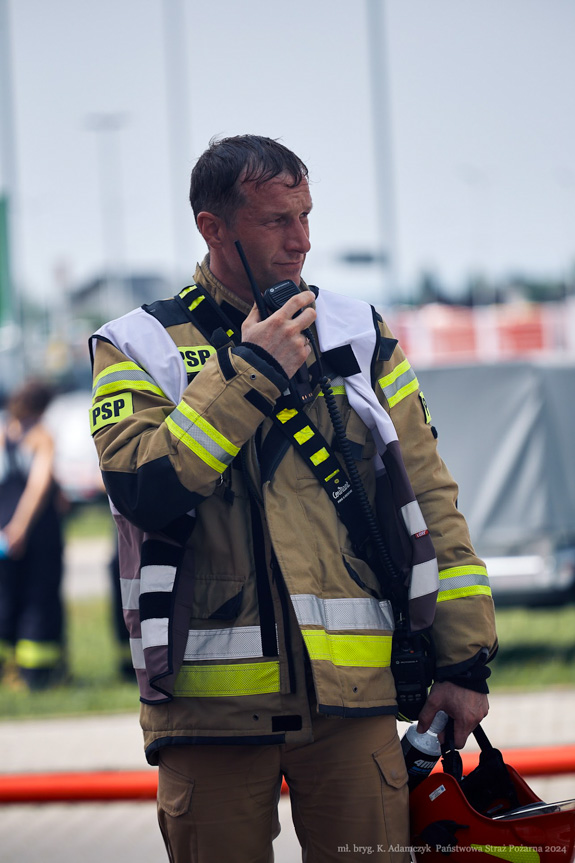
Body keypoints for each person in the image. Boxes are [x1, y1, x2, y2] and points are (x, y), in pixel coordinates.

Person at [89, 135, 497, 862]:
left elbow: (432, 499)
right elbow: (144, 488)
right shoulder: (138, 344)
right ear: (213, 227)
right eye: (277, 220)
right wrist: (250, 370)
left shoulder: (357, 333)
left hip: (355, 702)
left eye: (306, 215)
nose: (302, 240)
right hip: (208, 714)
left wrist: (464, 663)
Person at [0, 378, 65, 690]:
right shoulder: (42, 437)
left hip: (3, 531)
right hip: (36, 533)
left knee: (7, 596)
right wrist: (20, 527)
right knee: (39, 598)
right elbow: (38, 487)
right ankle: (36, 676)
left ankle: (8, 670)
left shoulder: (4, 434)